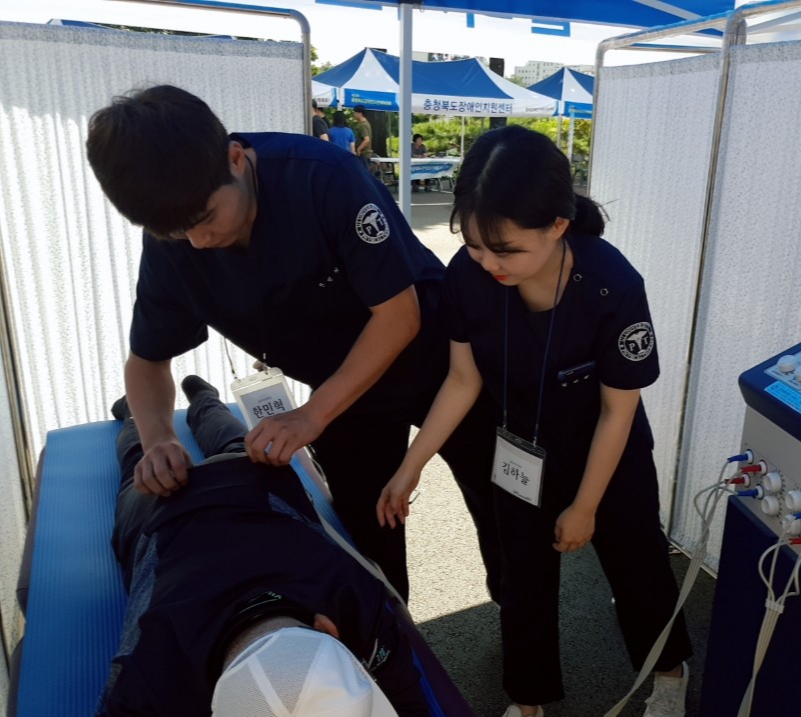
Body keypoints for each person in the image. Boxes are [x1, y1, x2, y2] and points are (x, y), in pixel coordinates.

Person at [85, 85, 501, 605]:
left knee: (498, 501)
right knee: (366, 529)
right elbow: (147, 361)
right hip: (342, 388)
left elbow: (399, 316)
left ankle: (521, 634)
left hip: (437, 360)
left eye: (205, 219)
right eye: (173, 233)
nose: (196, 242)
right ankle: (393, 646)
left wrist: (310, 416)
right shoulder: (173, 235)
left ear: (236, 159)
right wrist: (156, 439)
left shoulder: (324, 178)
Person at [376, 125, 692, 717]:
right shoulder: (467, 278)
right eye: (473, 245)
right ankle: (528, 701)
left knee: (640, 569)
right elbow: (463, 380)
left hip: (609, 448)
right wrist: (410, 467)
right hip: (521, 445)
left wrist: (586, 506)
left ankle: (667, 675)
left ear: (557, 226)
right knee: (521, 582)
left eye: (506, 250)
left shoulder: (612, 285)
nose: (488, 263)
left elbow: (618, 409)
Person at [95, 376, 430, 717]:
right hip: (174, 510)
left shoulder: (354, 597)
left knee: (157, 461)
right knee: (152, 460)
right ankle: (174, 408)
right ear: (326, 628)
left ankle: (180, 406)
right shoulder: (150, 673)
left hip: (223, 496)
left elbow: (409, 703)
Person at [353, 104, 374, 171]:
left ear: (360, 113)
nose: (354, 114)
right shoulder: (365, 123)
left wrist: (359, 149)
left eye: (355, 112)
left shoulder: (363, 125)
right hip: (364, 155)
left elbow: (367, 140)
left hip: (364, 154)